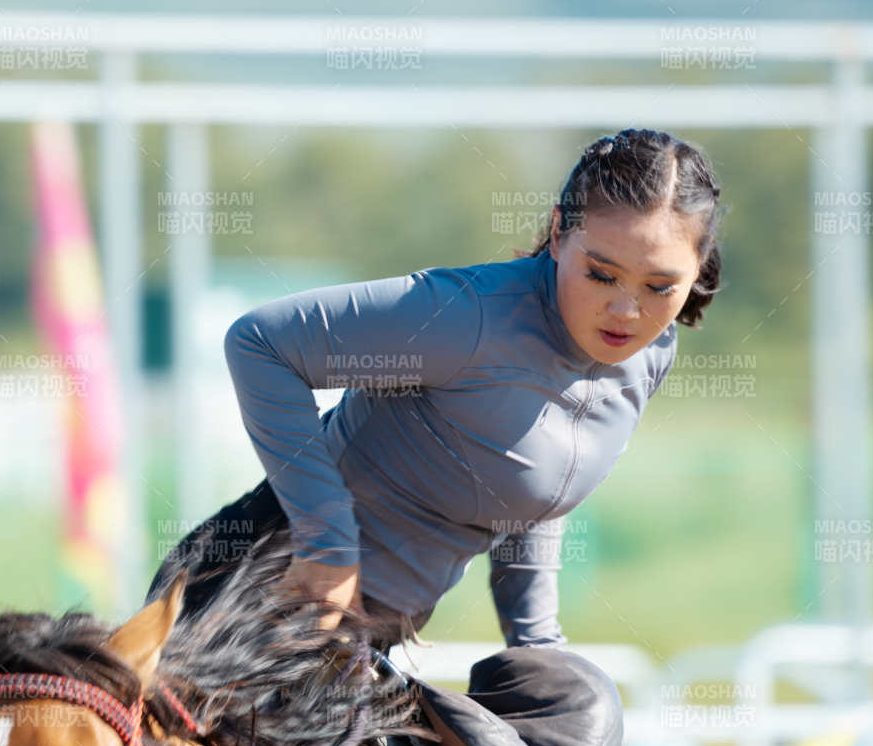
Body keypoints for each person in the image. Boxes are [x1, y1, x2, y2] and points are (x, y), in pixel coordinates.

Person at [147, 128, 722, 654]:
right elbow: (260, 343)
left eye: (659, 286)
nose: (626, 310)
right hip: (259, 600)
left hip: (364, 642)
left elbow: (530, 490)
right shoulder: (465, 317)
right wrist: (327, 541)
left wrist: (535, 640)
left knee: (571, 730)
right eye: (600, 274)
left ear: (695, 272)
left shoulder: (649, 353)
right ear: (556, 232)